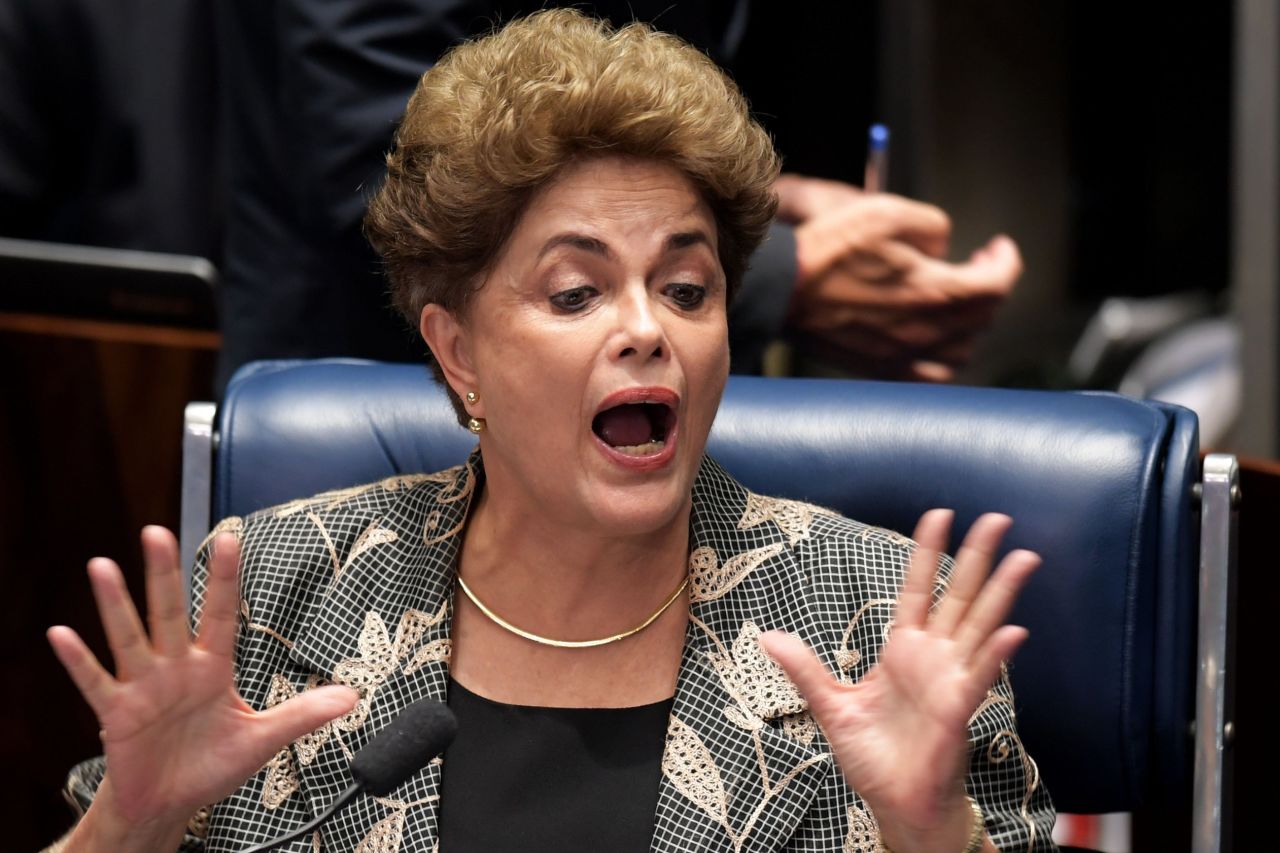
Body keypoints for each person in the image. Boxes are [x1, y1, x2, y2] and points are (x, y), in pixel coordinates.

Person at [46, 10, 1055, 852]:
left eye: (686, 288)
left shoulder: (880, 618)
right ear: (458, 353)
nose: (646, 330)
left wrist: (934, 834)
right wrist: (126, 827)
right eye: (576, 293)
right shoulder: (269, 597)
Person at [212, 0, 1021, 386]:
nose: (647, 326)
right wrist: (778, 272)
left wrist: (773, 195)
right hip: (389, 383)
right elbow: (383, 156)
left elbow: (646, 93)